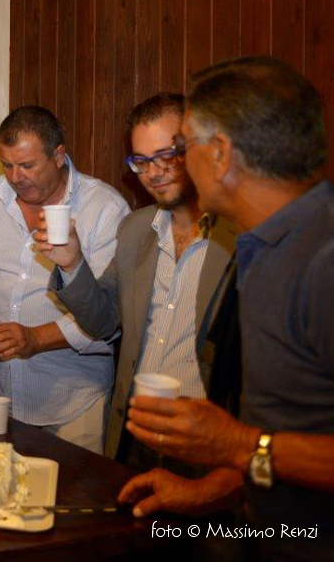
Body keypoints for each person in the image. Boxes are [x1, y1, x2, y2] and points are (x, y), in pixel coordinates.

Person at [117, 57, 334, 560]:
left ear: (220, 154)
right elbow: (291, 423)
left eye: (183, 148)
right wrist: (211, 488)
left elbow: (253, 440)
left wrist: (239, 444)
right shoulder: (262, 246)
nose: (176, 166)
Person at [34, 93, 236, 465]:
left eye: (166, 156)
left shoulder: (239, 237)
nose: (153, 173)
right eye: (141, 161)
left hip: (209, 441)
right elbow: (103, 322)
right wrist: (72, 263)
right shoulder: (135, 229)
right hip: (136, 435)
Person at [0, 106, 129, 452]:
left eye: (27, 165)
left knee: (73, 487)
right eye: (7, 165)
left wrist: (36, 338)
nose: (15, 177)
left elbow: (109, 313)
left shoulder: (104, 208)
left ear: (58, 155)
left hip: (74, 401)